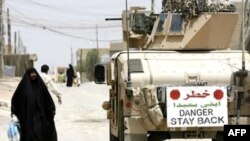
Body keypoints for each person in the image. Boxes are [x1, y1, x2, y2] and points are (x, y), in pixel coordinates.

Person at [11, 67, 57, 141]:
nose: (33, 75)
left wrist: (52, 109)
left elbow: (48, 98)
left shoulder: (40, 86)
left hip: (40, 115)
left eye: (35, 73)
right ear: (28, 75)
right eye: (31, 73)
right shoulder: (23, 87)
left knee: (39, 133)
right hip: (27, 117)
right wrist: (14, 111)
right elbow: (15, 99)